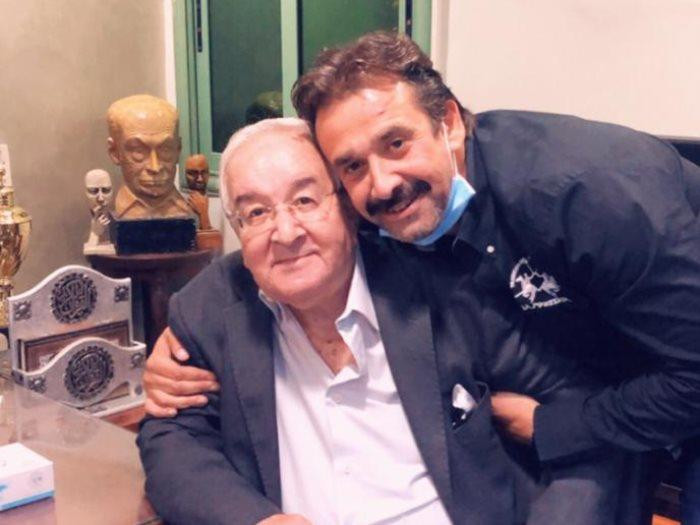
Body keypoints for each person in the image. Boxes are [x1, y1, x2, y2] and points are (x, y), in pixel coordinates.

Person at [145, 32, 700, 521]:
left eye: (396, 143)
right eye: (255, 212)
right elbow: (172, 439)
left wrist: (556, 427)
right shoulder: (227, 300)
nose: (383, 184)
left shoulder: (583, 196)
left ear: (449, 123)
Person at [138, 118, 525, 525]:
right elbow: (172, 440)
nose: (285, 233)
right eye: (257, 212)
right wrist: (257, 520)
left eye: (304, 200)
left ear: (347, 207)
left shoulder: (436, 283)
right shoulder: (209, 305)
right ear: (238, 229)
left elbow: (548, 399)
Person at [106, 94, 191, 219]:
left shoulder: (184, 210)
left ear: (178, 149)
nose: (155, 167)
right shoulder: (119, 211)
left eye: (165, 150)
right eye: (139, 151)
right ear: (114, 152)